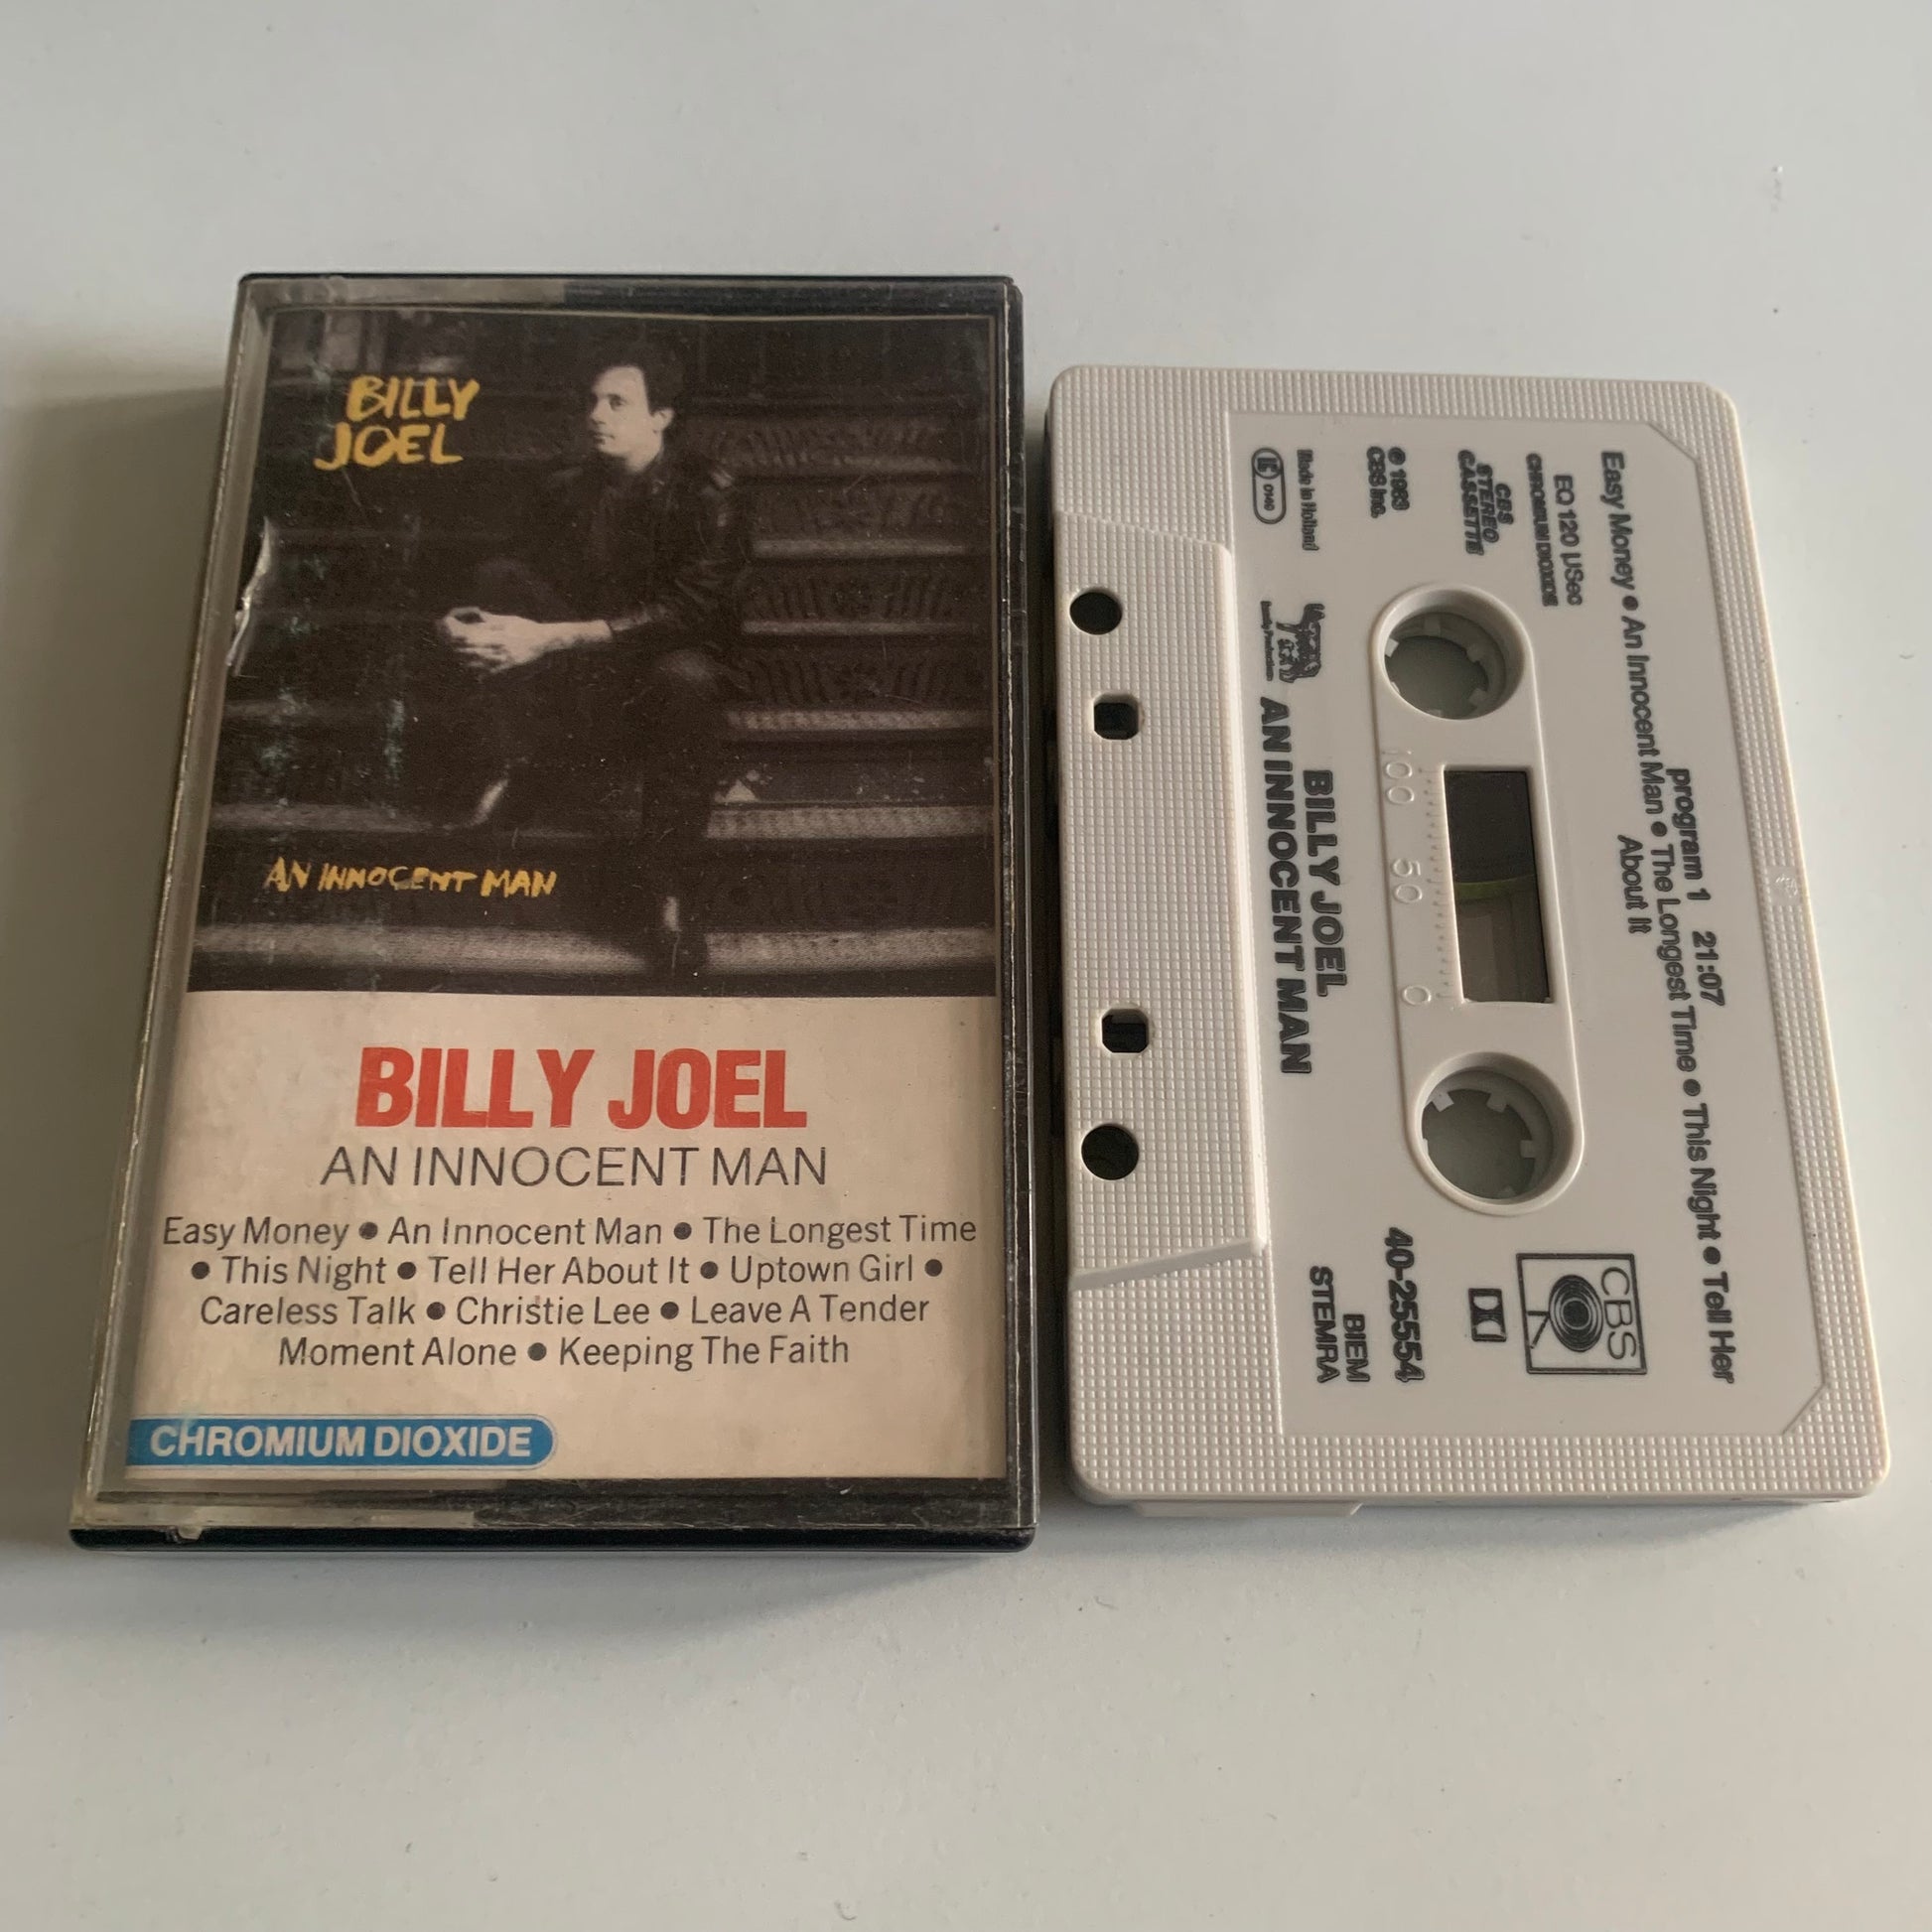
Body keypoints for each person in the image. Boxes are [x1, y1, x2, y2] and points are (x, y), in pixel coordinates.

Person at [432, 340, 750, 968]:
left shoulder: (712, 494)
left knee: (686, 678)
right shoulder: (569, 486)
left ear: (662, 417)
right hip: (588, 673)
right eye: (593, 401)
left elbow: (691, 615)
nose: (596, 415)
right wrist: (458, 619)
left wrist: (550, 637)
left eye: (617, 403)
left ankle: (666, 889)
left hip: (667, 667)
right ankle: (518, 768)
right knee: (498, 578)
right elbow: (517, 573)